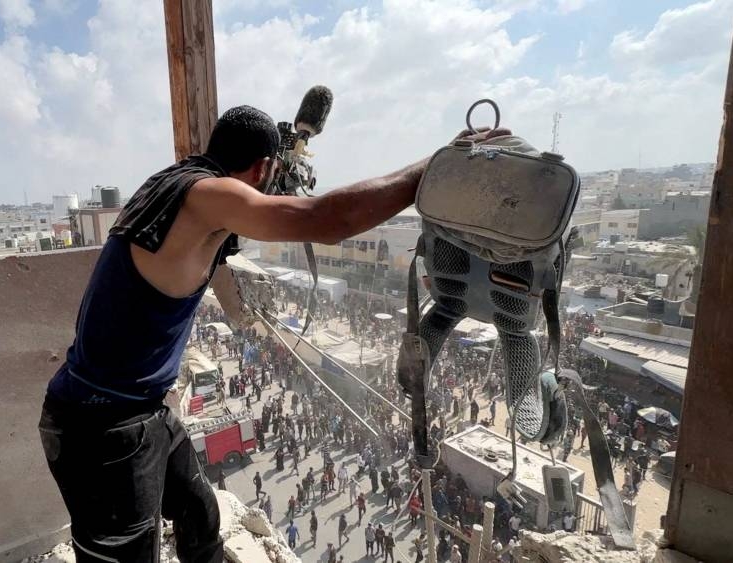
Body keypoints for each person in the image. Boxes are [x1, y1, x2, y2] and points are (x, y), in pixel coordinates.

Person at [39, 105, 507, 561]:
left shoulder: (170, 185)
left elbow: (218, 246)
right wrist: (438, 163)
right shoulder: (209, 196)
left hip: (136, 412)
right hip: (101, 430)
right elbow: (330, 220)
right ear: (262, 167)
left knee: (199, 516)